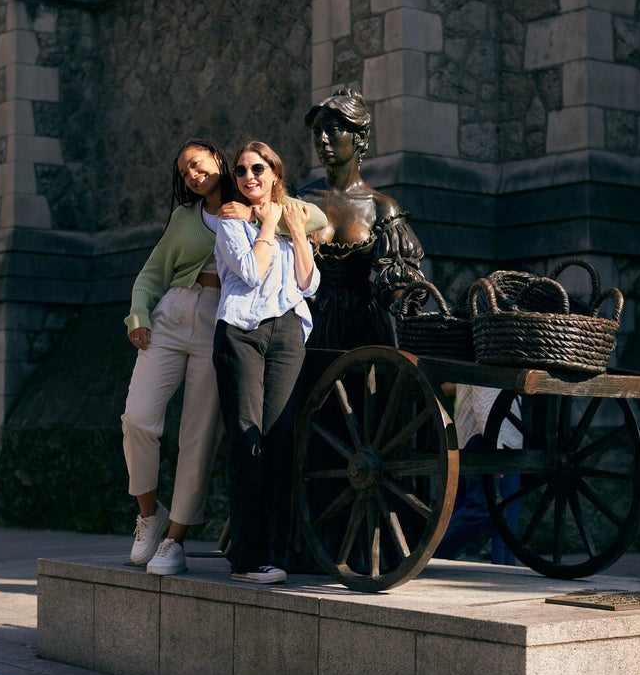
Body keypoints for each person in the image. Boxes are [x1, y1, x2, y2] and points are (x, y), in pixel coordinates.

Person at [122, 139, 325, 576]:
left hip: (262, 320)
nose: (193, 175)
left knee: (216, 436)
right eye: (184, 172)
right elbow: (159, 271)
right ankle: (151, 517)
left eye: (198, 165)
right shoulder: (206, 217)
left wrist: (267, 216)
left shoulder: (265, 210)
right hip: (199, 317)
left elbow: (314, 245)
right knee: (140, 419)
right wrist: (138, 313)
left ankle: (177, 541)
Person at [213, 140, 320, 584]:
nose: (249, 177)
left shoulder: (290, 217)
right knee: (246, 440)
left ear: (275, 173)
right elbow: (252, 273)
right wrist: (265, 224)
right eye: (240, 171)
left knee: (279, 440)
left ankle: (277, 554)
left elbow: (308, 282)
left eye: (258, 168)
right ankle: (247, 557)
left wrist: (291, 229)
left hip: (288, 333)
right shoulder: (230, 222)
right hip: (241, 331)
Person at [299, 88, 426, 349]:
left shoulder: (381, 207)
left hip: (363, 328)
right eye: (317, 132)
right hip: (308, 321)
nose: (322, 140)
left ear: (359, 137)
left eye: (332, 130)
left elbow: (397, 278)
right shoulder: (301, 199)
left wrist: (403, 299)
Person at [434, 384, 522, 565]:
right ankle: (432, 553)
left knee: (507, 508)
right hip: (487, 437)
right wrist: (495, 446)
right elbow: (483, 402)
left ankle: (504, 566)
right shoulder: (492, 357)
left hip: (501, 437)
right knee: (483, 507)